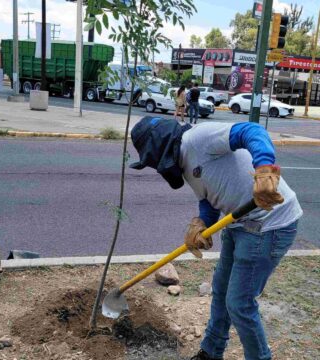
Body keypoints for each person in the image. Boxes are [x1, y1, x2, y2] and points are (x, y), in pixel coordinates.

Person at [129, 116, 303, 360]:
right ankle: (211, 352)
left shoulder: (197, 138)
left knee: (239, 303)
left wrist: (264, 170)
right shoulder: (185, 163)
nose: (156, 167)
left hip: (270, 223)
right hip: (240, 222)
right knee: (221, 291)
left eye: (152, 160)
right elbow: (209, 200)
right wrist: (202, 225)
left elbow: (251, 131)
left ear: (159, 148)